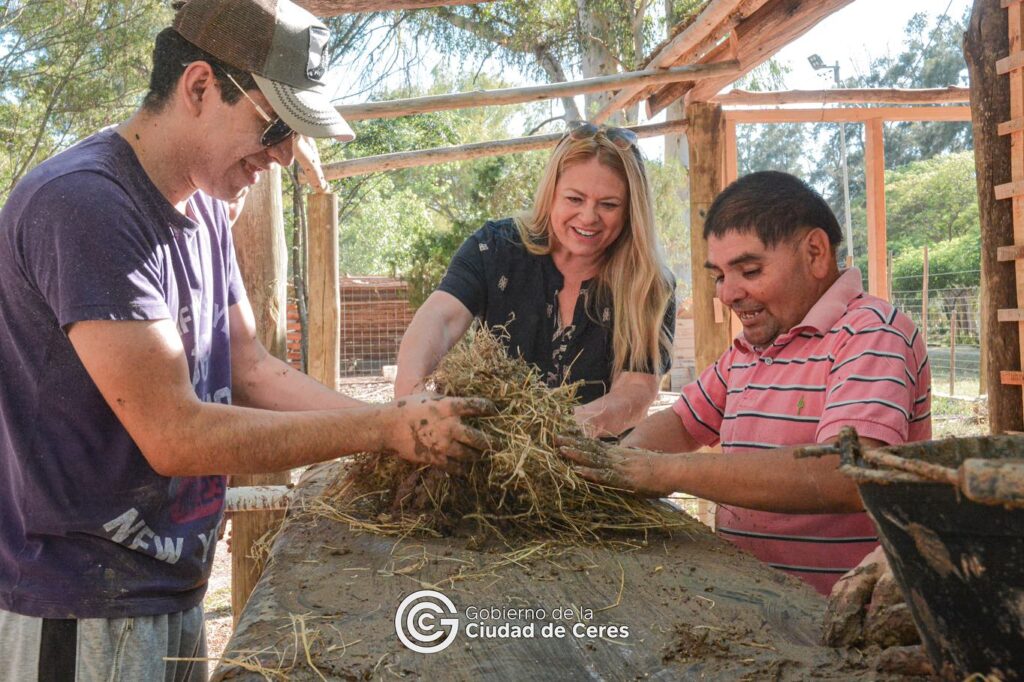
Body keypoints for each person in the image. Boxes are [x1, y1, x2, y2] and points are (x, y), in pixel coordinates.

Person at [0, 1, 493, 679]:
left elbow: (253, 367)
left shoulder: (202, 202)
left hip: (168, 587)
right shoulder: (86, 205)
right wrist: (381, 432)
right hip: (81, 604)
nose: (285, 155)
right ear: (199, 87)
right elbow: (175, 434)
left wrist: (405, 428)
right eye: (276, 126)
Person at [563, 170, 931, 595]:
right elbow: (683, 421)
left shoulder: (872, 334)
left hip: (843, 614)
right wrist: (612, 468)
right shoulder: (748, 350)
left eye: (750, 270)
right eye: (720, 275)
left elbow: (845, 474)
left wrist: (664, 472)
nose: (727, 294)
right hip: (755, 605)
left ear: (815, 253)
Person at [395, 122, 676, 438]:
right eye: (574, 199)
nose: (588, 217)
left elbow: (637, 390)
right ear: (552, 194)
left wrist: (560, 429)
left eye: (608, 205)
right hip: (490, 450)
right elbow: (440, 318)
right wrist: (411, 400)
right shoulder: (495, 246)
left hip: (597, 467)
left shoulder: (649, 284)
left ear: (630, 211)